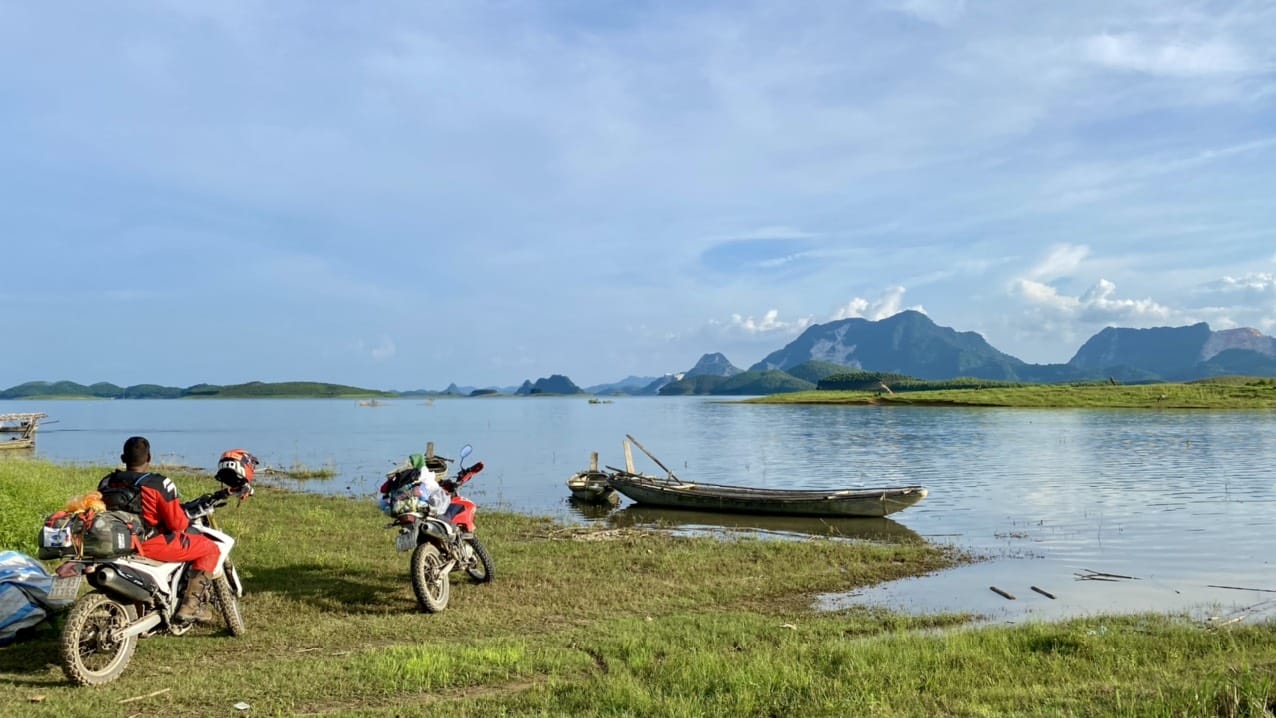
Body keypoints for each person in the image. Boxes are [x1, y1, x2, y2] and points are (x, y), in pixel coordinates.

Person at [97, 436, 220, 623]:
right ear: (149, 458)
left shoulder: (107, 482)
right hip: (148, 543)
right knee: (210, 549)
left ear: (123, 458)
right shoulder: (159, 484)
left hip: (114, 541)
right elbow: (176, 525)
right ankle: (190, 608)